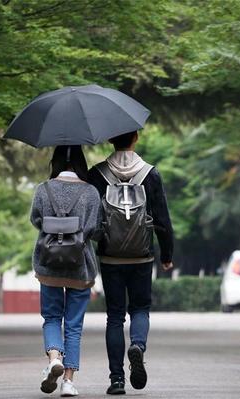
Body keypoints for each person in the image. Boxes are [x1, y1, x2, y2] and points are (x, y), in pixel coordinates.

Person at [87, 132, 174, 395]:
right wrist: (167, 255)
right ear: (135, 138)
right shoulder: (150, 174)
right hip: (142, 255)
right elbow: (162, 218)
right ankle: (138, 345)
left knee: (114, 316)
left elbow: (92, 218)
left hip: (111, 256)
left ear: (110, 140)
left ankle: (116, 380)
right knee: (140, 309)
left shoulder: (98, 174)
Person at [30, 145, 102, 397]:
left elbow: (36, 220)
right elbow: (94, 228)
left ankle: (53, 358)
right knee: (73, 325)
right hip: (80, 267)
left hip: (48, 264)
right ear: (81, 163)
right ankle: (69, 382)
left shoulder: (43, 189)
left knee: (51, 317)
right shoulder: (91, 192)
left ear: (55, 162)